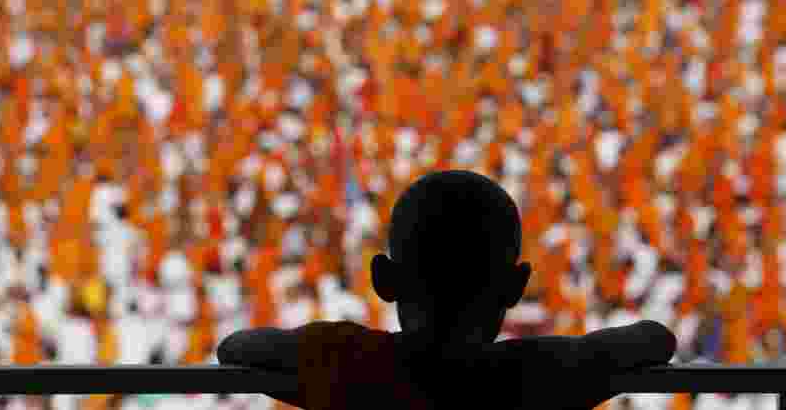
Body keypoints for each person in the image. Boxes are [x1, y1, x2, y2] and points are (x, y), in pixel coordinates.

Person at [217, 169, 678, 410]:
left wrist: (318, 354)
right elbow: (655, 340)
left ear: (384, 280)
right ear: (516, 288)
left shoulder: (347, 363)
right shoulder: (538, 376)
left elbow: (239, 348)